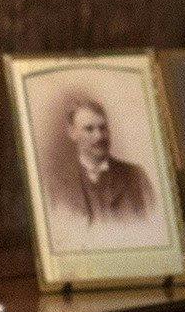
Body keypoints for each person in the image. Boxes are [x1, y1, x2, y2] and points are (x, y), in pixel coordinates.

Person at [46, 94, 153, 231]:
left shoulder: (137, 177)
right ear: (72, 133)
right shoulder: (56, 186)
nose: (99, 136)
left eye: (103, 128)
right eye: (89, 129)